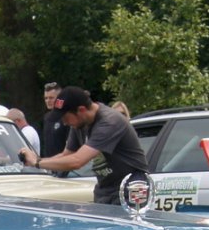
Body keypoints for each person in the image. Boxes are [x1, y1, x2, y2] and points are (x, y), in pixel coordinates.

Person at [19, 86, 148, 204]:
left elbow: (77, 161)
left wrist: (37, 162)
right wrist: (38, 160)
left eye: (65, 118)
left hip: (132, 186)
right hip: (105, 188)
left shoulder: (109, 122)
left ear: (81, 110)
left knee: (127, 228)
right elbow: (67, 155)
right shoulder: (79, 123)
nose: (64, 123)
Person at [38, 81, 69, 160]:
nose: (48, 101)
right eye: (46, 98)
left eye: (51, 98)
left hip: (64, 163)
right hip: (49, 164)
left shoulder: (66, 117)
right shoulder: (47, 118)